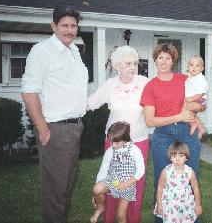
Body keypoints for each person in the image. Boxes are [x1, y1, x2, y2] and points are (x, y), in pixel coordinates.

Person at [21, 5, 88, 223]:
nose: (69, 30)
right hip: (56, 130)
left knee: (66, 187)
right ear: (53, 26)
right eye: (64, 25)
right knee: (55, 191)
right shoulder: (42, 51)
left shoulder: (75, 51)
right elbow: (29, 92)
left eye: (73, 26)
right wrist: (43, 130)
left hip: (74, 128)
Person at [140, 44, 204, 223]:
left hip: (187, 133)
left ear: (173, 60)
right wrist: (180, 116)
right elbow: (150, 121)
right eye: (160, 57)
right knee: (162, 180)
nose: (164, 61)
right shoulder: (150, 86)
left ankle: (191, 219)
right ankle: (161, 219)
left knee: (191, 178)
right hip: (163, 136)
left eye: (167, 58)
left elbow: (202, 102)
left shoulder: (185, 80)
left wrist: (196, 108)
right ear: (155, 60)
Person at [87, 45, 149, 223]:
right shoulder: (110, 85)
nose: (133, 67)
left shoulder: (144, 82)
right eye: (128, 63)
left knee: (135, 185)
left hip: (139, 142)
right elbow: (90, 103)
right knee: (112, 181)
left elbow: (161, 100)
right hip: (114, 143)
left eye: (135, 63)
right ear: (117, 66)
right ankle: (108, 217)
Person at [90, 122, 145, 223]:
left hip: (128, 184)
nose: (113, 146)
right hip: (112, 180)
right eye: (111, 142)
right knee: (97, 189)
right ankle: (100, 208)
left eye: (117, 143)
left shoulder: (134, 150)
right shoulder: (110, 151)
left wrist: (128, 184)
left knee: (120, 215)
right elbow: (103, 170)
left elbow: (141, 170)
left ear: (125, 140)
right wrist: (96, 193)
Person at [155, 141, 202, 223]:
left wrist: (198, 205)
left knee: (184, 219)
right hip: (170, 203)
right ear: (170, 157)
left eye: (181, 156)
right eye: (174, 156)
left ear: (186, 157)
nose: (177, 159)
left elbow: (195, 188)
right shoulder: (166, 171)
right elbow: (160, 187)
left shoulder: (190, 172)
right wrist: (159, 204)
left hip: (185, 202)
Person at [185, 55, 208, 139]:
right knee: (188, 113)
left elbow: (202, 92)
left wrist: (192, 99)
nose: (194, 67)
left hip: (198, 100)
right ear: (188, 67)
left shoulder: (200, 79)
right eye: (191, 65)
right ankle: (197, 126)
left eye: (197, 66)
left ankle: (198, 126)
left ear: (202, 68)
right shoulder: (191, 77)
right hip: (193, 100)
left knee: (185, 109)